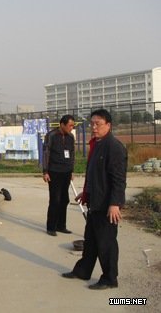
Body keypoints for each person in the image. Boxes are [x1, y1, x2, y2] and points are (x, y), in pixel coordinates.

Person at [62, 109, 127, 290]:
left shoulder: (114, 148)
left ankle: (109, 278)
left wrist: (115, 204)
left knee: (106, 243)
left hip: (107, 205)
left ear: (108, 125)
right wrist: (86, 193)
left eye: (98, 124)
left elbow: (118, 180)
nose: (94, 127)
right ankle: (83, 271)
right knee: (90, 240)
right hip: (95, 202)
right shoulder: (97, 145)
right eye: (92, 124)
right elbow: (94, 176)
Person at [42, 114, 75, 236]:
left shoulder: (71, 137)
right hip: (54, 172)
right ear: (62, 124)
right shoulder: (51, 136)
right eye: (70, 125)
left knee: (64, 199)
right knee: (55, 199)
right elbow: (46, 153)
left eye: (73, 126)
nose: (71, 128)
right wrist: (45, 171)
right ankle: (51, 227)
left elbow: (72, 154)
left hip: (66, 172)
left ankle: (61, 225)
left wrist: (71, 170)